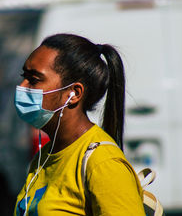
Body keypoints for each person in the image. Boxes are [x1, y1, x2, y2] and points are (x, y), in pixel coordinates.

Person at [13, 33, 145, 215]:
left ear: (74, 93)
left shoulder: (103, 164)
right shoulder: (45, 155)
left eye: (34, 80)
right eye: (24, 76)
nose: (22, 86)